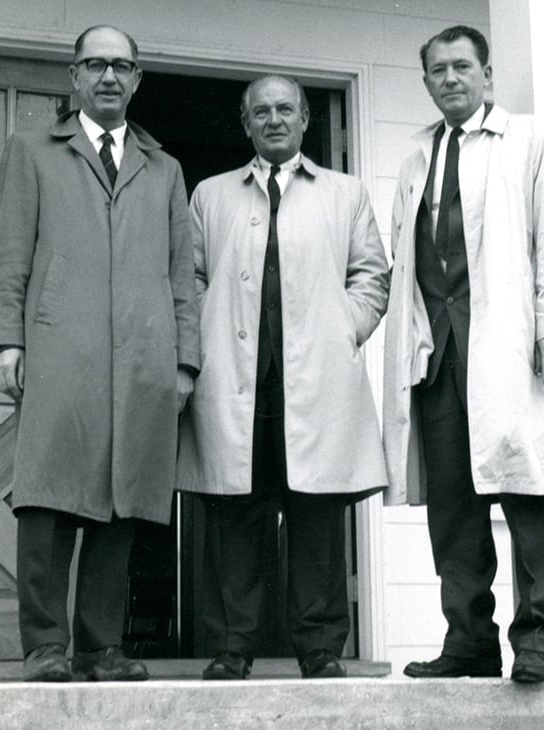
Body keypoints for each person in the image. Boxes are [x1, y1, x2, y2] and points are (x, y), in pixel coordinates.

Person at [381, 25, 544, 684]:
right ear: (426, 83)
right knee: (452, 507)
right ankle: (469, 640)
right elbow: (409, 260)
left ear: (486, 74)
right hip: (439, 354)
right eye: (437, 71)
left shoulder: (529, 140)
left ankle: (537, 638)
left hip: (510, 348)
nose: (449, 79)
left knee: (527, 492)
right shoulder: (417, 157)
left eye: (461, 67)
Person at [0, 25, 199, 682]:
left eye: (122, 66)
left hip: (142, 357)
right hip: (58, 348)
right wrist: (5, 342)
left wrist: (184, 358)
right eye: (95, 64)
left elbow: (181, 272)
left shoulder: (164, 169)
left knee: (123, 498)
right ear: (74, 76)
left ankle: (103, 646)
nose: (109, 76)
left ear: (136, 80)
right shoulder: (33, 151)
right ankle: (46, 646)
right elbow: (8, 253)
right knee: (48, 497)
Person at [177, 75, 389, 680]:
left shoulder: (345, 193)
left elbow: (371, 275)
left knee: (317, 520)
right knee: (235, 521)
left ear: (304, 121)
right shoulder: (211, 195)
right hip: (235, 384)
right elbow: (186, 279)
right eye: (261, 111)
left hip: (315, 384)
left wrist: (342, 329)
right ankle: (232, 647)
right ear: (245, 124)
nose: (274, 120)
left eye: (285, 110)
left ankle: (319, 649)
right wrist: (206, 344)